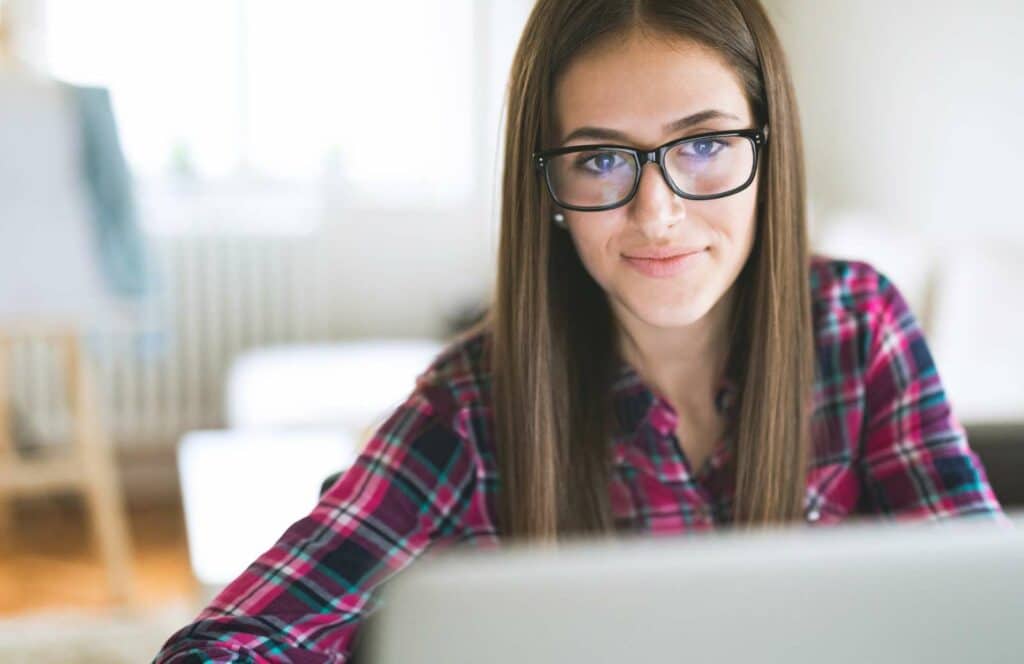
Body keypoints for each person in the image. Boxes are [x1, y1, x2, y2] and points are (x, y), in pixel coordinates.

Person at [153, 0, 1004, 661]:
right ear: (550, 193)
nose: (659, 215)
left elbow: (987, 615)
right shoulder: (476, 409)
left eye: (704, 144)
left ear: (767, 151)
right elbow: (228, 645)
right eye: (601, 160)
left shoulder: (859, 328)